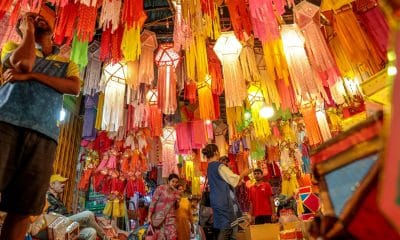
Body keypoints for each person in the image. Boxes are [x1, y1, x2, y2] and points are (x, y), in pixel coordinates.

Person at [0, 12, 80, 240]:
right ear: (21, 26)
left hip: (45, 134)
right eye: (32, 17)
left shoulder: (68, 63)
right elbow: (23, 62)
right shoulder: (11, 47)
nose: (38, 17)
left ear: (56, 26)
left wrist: (30, 77)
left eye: (44, 14)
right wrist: (28, 33)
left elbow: (73, 88)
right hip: (6, 124)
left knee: (23, 209)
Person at [203, 144, 250, 240]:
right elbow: (234, 180)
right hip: (223, 199)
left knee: (228, 227)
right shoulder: (219, 166)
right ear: (216, 152)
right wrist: (244, 173)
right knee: (227, 228)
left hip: (215, 200)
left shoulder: (209, 167)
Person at [41, 174, 109, 240]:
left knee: (91, 232)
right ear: (52, 185)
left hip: (66, 225)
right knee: (88, 214)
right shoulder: (46, 197)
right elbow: (44, 215)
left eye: (63, 183)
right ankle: (106, 238)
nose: (63, 185)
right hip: (59, 223)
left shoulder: (57, 198)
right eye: (60, 182)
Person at [147, 173, 181, 240]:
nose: (174, 184)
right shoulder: (161, 188)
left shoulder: (176, 192)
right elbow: (153, 202)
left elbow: (176, 207)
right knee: (161, 237)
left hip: (171, 218)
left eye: (176, 182)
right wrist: (149, 217)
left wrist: (178, 200)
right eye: (173, 181)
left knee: (173, 236)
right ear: (168, 181)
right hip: (159, 219)